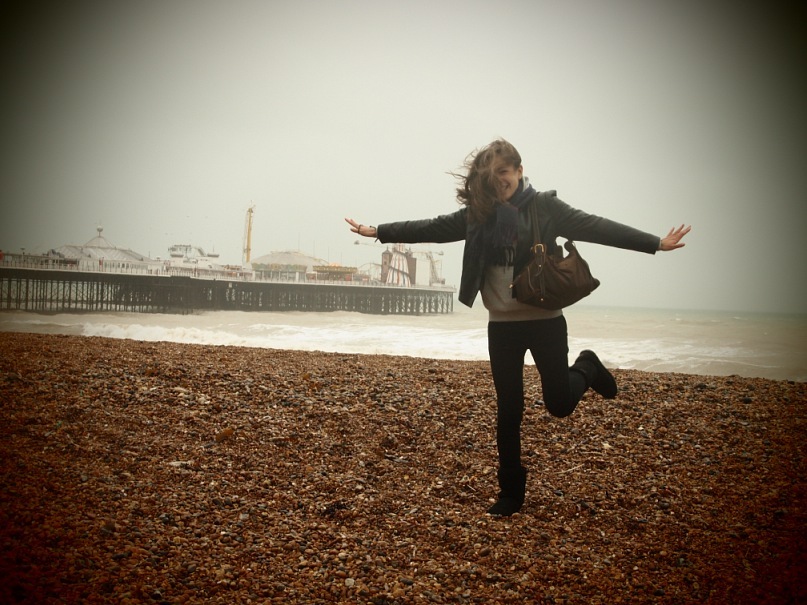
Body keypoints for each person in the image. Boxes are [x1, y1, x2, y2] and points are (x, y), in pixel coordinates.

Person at [345, 139, 690, 516]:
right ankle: (510, 492)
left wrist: (655, 243)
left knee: (559, 404)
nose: (499, 181)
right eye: (491, 175)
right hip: (502, 328)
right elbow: (433, 227)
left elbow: (596, 226)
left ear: (519, 171)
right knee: (509, 410)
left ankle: (587, 366)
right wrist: (378, 231)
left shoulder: (545, 208)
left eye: (504, 172)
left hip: (545, 322)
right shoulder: (478, 213)